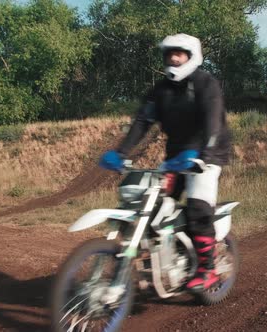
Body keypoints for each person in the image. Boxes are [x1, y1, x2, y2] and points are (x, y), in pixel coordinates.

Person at [99, 33, 231, 292]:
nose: (173, 57)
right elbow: (142, 123)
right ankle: (164, 256)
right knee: (155, 206)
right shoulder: (159, 91)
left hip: (208, 153)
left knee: (197, 208)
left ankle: (208, 269)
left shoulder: (206, 84)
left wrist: (204, 155)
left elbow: (212, 122)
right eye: (169, 53)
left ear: (192, 56)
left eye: (179, 53)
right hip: (175, 158)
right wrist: (122, 152)